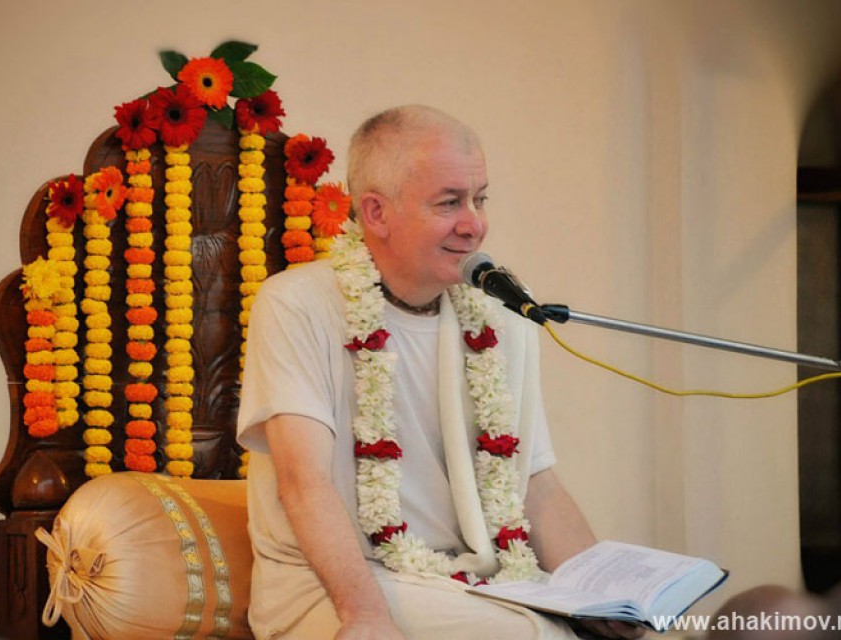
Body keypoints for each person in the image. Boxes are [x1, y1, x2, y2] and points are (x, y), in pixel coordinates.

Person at [236, 105, 642, 639]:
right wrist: (365, 616)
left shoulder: (501, 315)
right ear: (376, 213)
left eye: (480, 199)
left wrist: (603, 599)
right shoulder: (299, 304)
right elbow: (303, 481)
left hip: (479, 583)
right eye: (449, 203)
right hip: (337, 587)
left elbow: (534, 485)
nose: (474, 225)